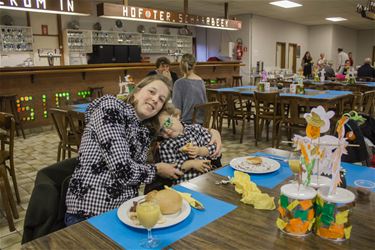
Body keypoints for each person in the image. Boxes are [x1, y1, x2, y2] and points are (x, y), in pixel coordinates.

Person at [64, 75, 185, 226]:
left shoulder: (144, 127)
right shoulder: (111, 108)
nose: (155, 99)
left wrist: (214, 133)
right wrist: (157, 169)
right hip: (89, 213)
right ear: (136, 92)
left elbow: (174, 125)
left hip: (124, 211)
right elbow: (123, 171)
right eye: (152, 92)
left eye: (161, 99)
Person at [157, 104, 222, 184]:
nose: (166, 131)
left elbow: (215, 147)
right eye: (161, 131)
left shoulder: (196, 129)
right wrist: (191, 164)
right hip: (186, 183)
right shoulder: (166, 145)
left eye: (167, 124)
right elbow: (170, 170)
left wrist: (200, 151)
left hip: (209, 176)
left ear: (176, 116)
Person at [172, 53, 207, 124]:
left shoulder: (179, 83)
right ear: (194, 65)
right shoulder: (201, 81)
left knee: (164, 124)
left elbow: (177, 111)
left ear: (181, 65)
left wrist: (167, 122)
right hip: (202, 123)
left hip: (187, 125)